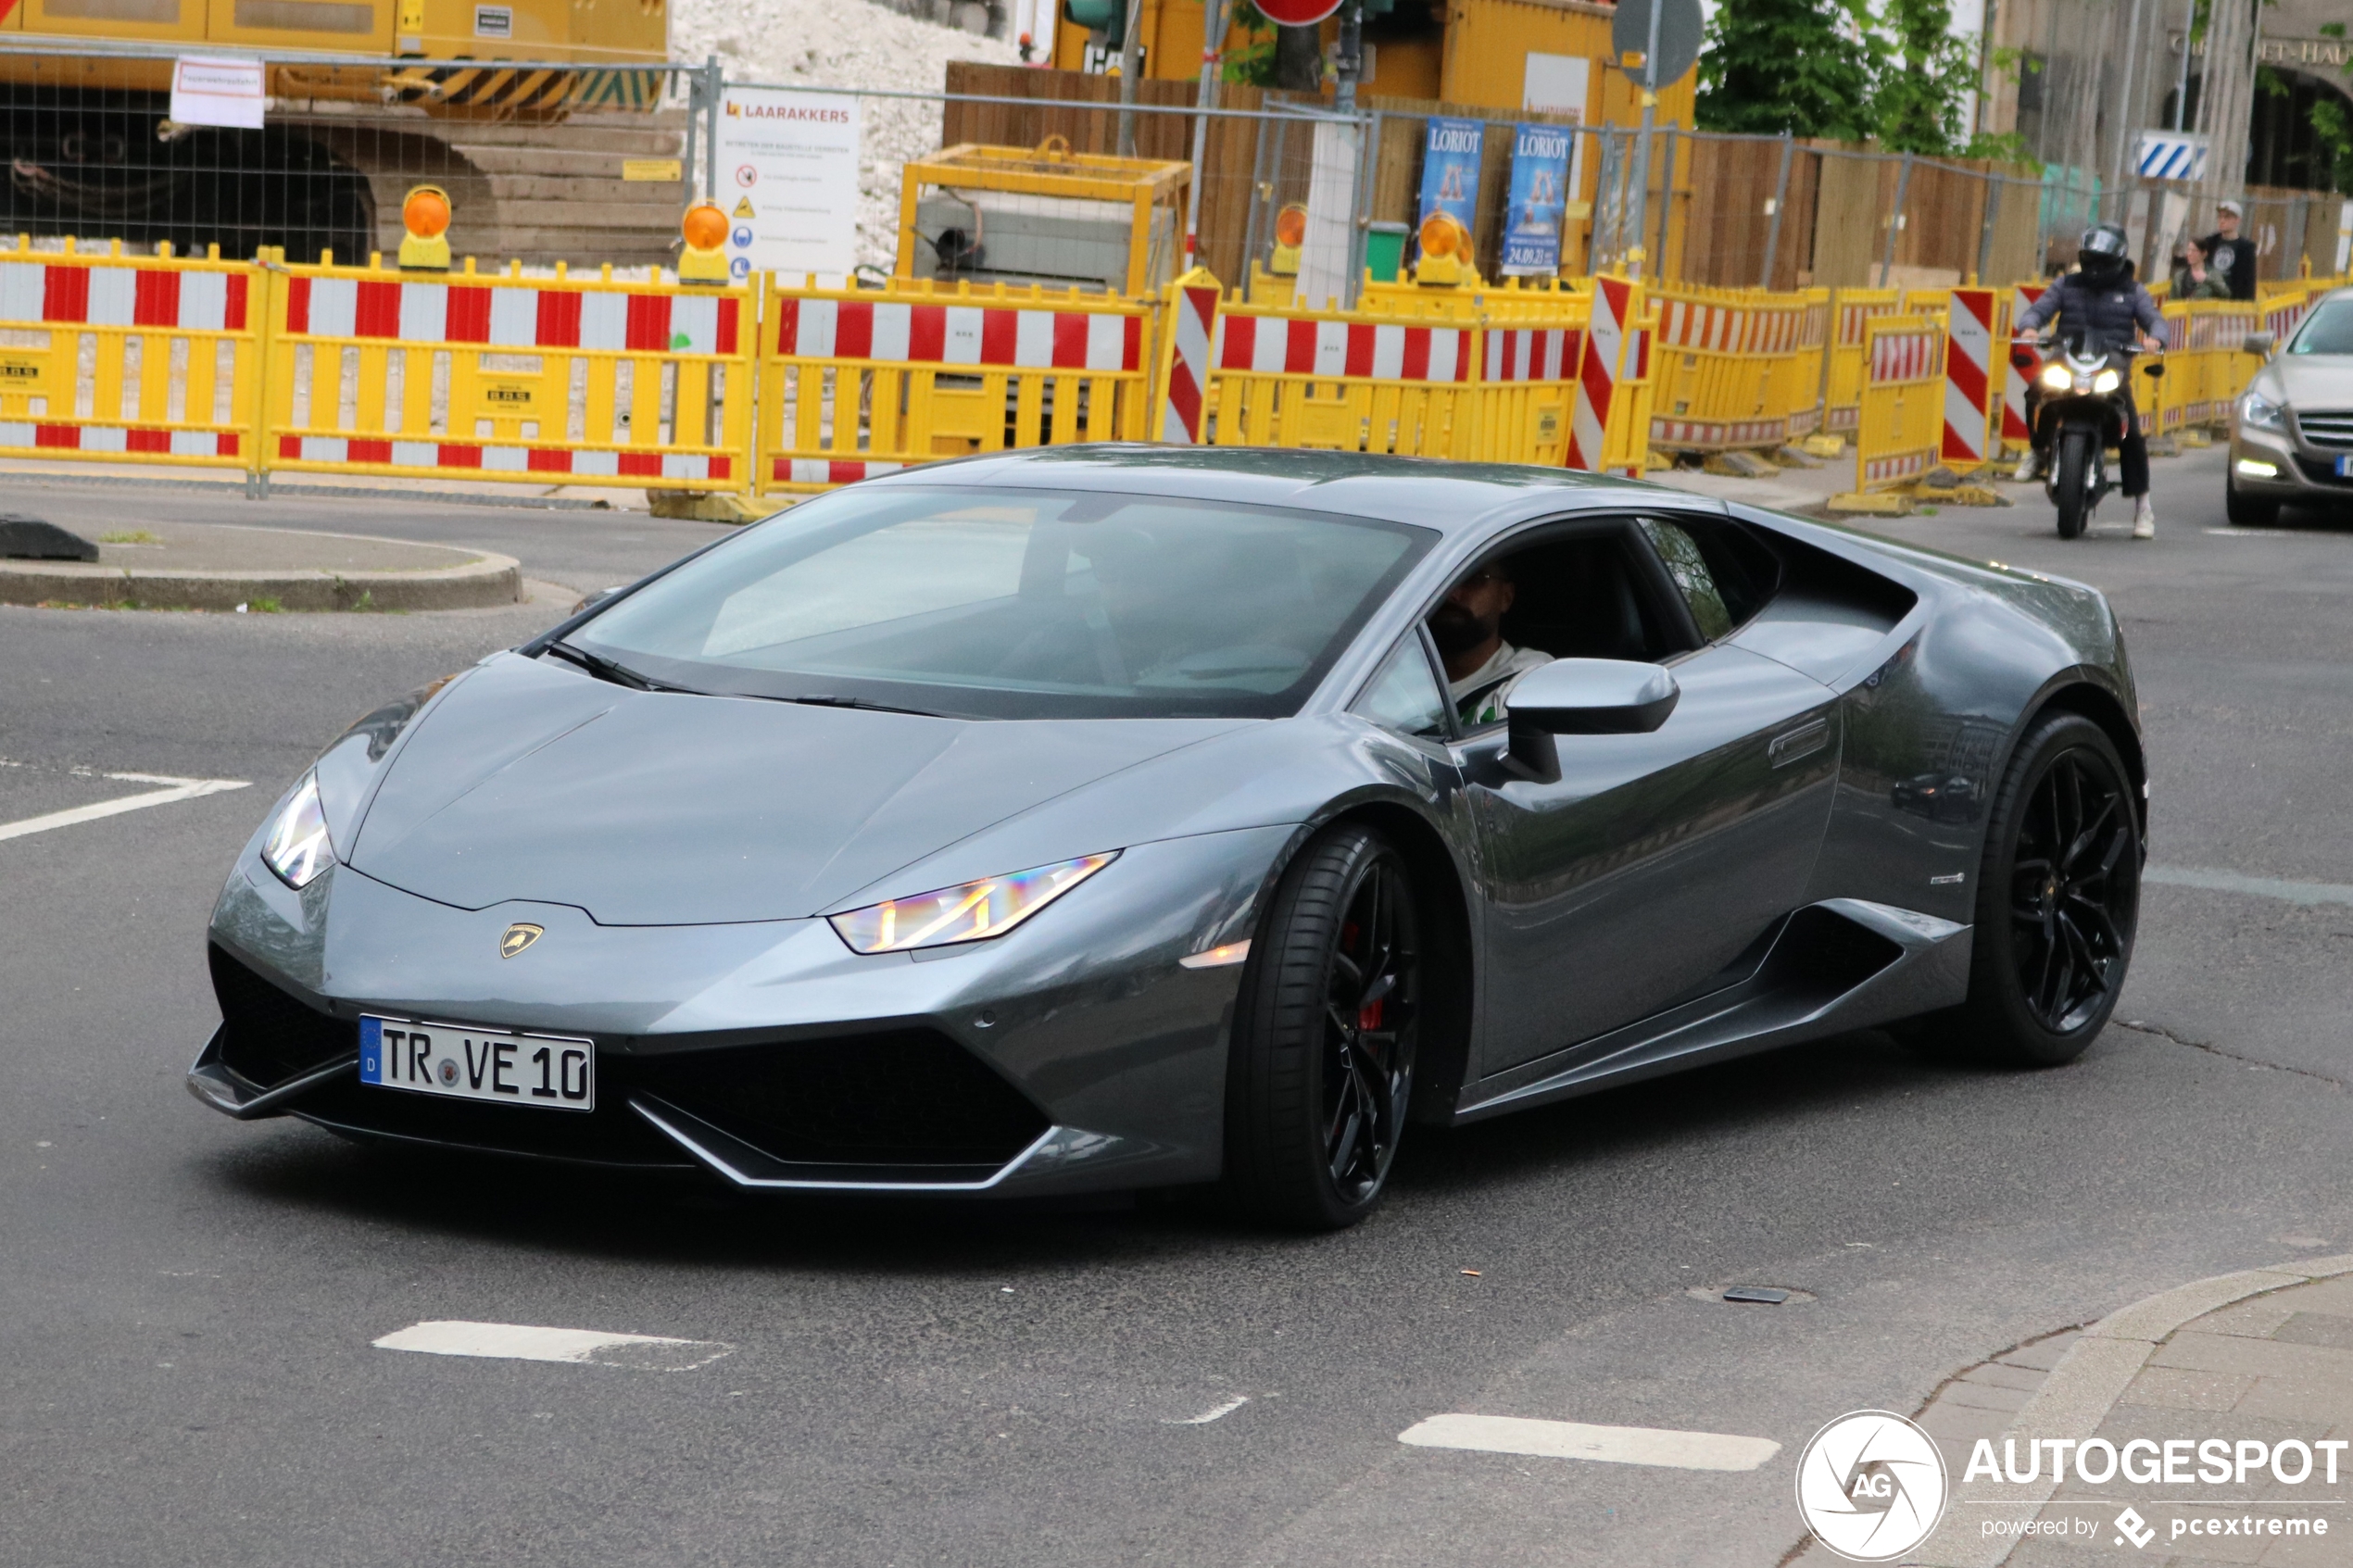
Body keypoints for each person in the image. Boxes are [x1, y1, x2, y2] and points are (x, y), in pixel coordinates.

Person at [2011, 222, 2167, 538]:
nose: (2095, 268)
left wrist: (2156, 338)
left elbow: (2155, 320)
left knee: (2132, 434)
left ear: (2118, 260)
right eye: (2090, 260)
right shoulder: (2065, 285)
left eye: (2102, 261)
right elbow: (2039, 311)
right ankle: (2037, 449)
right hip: (2067, 356)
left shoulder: (2133, 291)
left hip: (2111, 363)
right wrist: (2029, 328)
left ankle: (2143, 507)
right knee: (2036, 391)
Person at [1427, 558, 1552, 725]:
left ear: (1506, 597)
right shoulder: (1388, 666)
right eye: (1443, 580)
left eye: (1475, 579)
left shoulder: (1529, 676)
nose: (1452, 594)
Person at [2197, 200, 2258, 301]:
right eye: (2220, 217)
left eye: (2227, 217)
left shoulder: (2246, 247)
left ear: (2237, 220)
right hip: (2208, 299)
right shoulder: (2210, 242)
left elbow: (2249, 280)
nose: (2222, 221)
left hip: (2232, 302)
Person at [2171, 237, 2230, 301]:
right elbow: (2172, 299)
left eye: (2194, 251)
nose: (2189, 254)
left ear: (2204, 254)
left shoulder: (2212, 274)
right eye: (2188, 250)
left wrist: (2207, 279)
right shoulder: (2179, 276)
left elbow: (2226, 294)